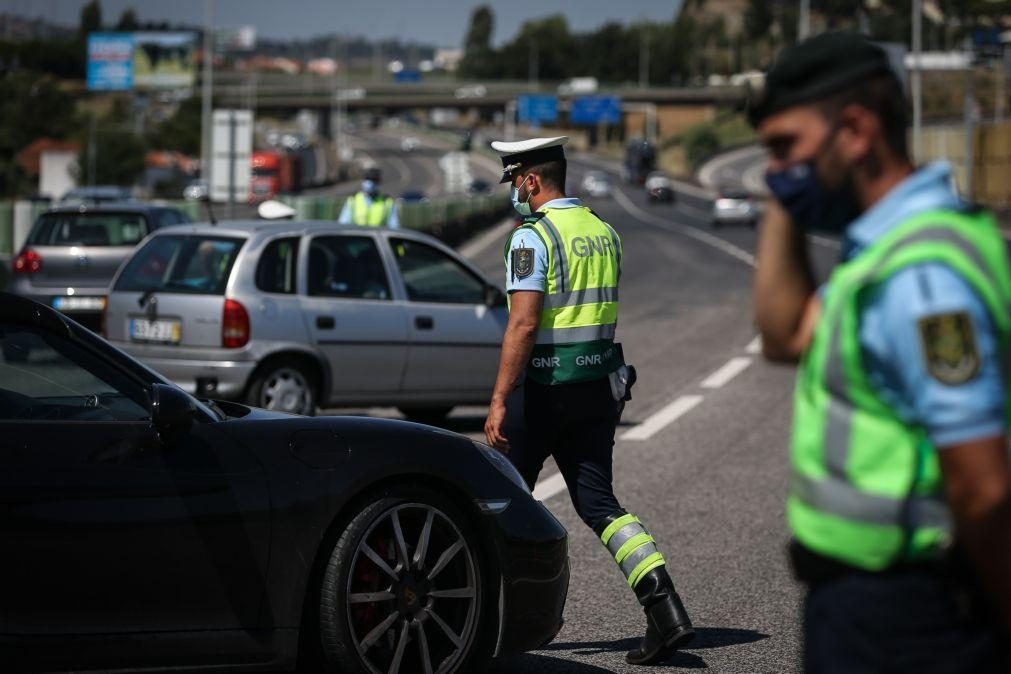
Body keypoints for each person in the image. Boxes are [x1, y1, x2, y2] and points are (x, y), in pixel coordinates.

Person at [751, 31, 1011, 673]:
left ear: (858, 131)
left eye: (788, 149)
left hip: (911, 621)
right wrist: (788, 194)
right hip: (868, 607)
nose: (778, 172)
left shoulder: (921, 281)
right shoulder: (882, 253)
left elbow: (982, 491)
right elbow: (785, 335)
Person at [483, 135, 695, 665]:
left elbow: (525, 322)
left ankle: (490, 624)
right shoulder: (604, 232)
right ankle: (665, 609)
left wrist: (499, 399)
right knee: (601, 506)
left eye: (515, 180)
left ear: (531, 180)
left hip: (544, 392)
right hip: (597, 390)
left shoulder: (533, 239)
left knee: (502, 504)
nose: (514, 191)